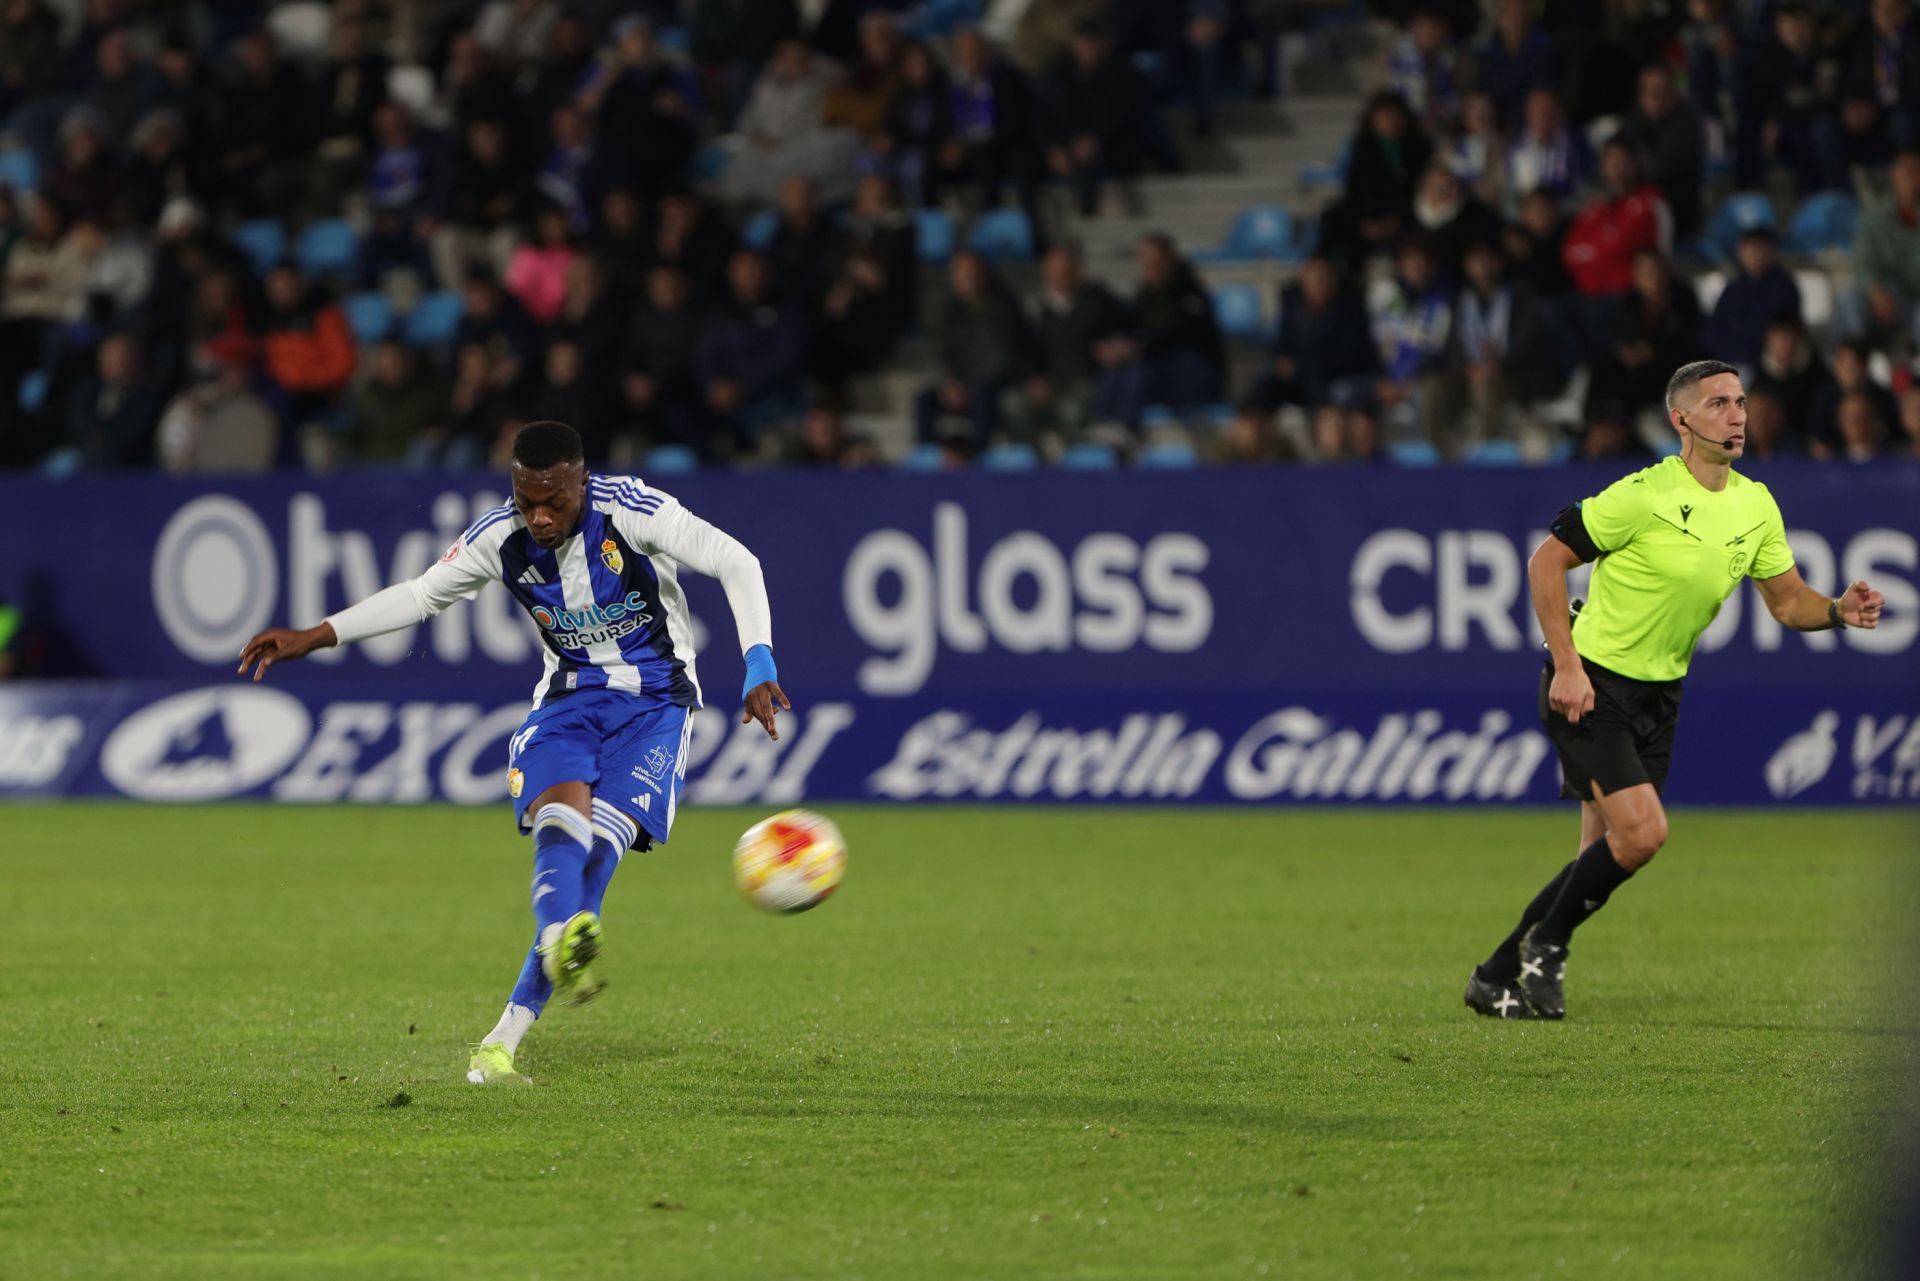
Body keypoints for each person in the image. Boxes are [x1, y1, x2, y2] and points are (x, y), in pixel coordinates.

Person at [237, 421, 788, 1085]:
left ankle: (501, 1041)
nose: (541, 516)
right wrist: (317, 635)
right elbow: (420, 595)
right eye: (528, 502)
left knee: (592, 870)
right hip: (568, 700)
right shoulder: (499, 536)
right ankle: (552, 947)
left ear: (581, 482)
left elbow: (736, 560)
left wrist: (758, 660)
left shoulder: (631, 510)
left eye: (555, 501)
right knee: (562, 820)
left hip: (655, 709)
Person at [1464, 361, 1886, 1021]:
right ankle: (1547, 944)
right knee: (1644, 834)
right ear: (1680, 419)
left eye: (1741, 401)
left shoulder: (1755, 504)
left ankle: (1494, 976)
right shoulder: (1644, 493)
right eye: (1718, 403)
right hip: (1592, 684)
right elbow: (1546, 561)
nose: (1737, 414)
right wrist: (1567, 666)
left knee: (1599, 855)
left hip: (1660, 695)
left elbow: (1787, 601)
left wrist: (1835, 610)